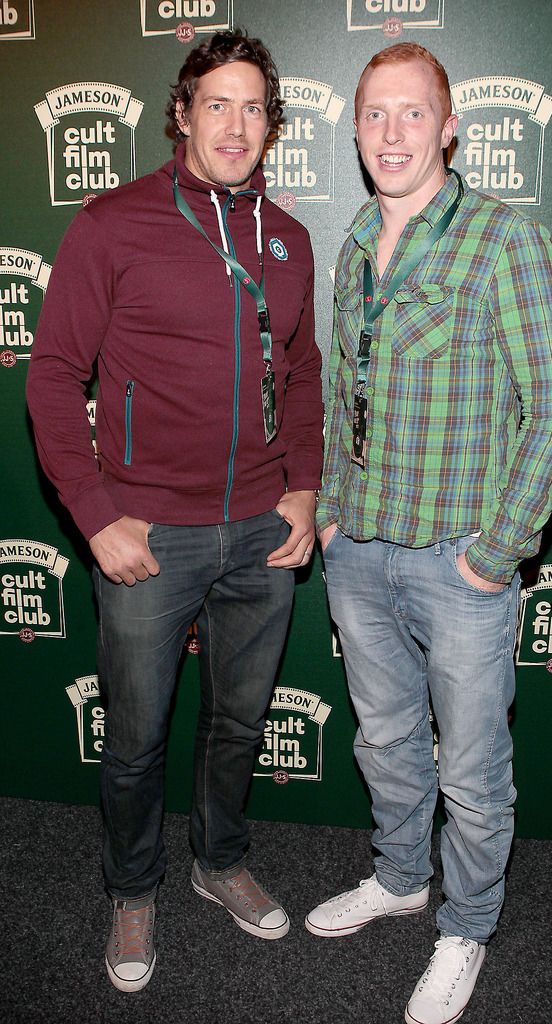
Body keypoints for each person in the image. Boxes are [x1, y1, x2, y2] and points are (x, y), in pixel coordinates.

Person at [27, 30, 323, 993]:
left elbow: (305, 374)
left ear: (269, 126)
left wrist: (305, 485)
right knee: (137, 734)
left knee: (238, 723)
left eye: (253, 108)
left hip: (259, 531)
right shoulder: (112, 224)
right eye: (218, 103)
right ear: (184, 113)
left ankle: (219, 860)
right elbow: (54, 375)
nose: (236, 124)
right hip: (148, 532)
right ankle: (131, 887)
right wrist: (94, 511)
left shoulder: (290, 237)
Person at [307, 42, 552, 1024]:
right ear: (356, 128)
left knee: (471, 770)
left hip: (459, 562)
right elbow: (345, 395)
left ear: (450, 125)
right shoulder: (350, 246)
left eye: (412, 113)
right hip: (359, 555)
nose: (392, 133)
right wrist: (334, 513)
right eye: (375, 114)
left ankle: (463, 927)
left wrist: (494, 553)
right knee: (385, 741)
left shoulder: (504, 242)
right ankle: (399, 876)